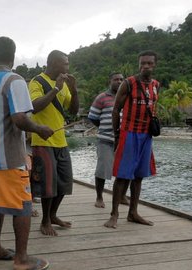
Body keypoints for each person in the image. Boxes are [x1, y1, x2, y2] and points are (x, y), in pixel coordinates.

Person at [0, 36, 52, 270]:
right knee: (23, 205)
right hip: (9, 156)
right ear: (13, 54)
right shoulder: (14, 79)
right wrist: (40, 128)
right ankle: (22, 259)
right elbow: (20, 119)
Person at [104, 50, 160, 229]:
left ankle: (133, 212)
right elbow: (116, 109)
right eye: (142, 63)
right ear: (139, 64)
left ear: (154, 65)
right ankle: (114, 214)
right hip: (129, 134)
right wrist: (116, 134)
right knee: (122, 175)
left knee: (139, 176)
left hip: (146, 135)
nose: (145, 66)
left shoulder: (156, 85)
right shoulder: (129, 83)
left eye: (149, 63)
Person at [28, 50, 79, 236]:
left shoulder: (64, 84)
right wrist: (56, 88)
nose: (67, 67)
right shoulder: (37, 81)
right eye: (65, 63)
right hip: (42, 140)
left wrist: (73, 90)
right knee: (48, 185)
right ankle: (44, 221)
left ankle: (53, 215)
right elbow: (34, 107)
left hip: (61, 141)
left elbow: (73, 110)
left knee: (65, 182)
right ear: (53, 63)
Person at [87, 72, 129, 208]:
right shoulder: (102, 98)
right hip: (105, 139)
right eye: (116, 79)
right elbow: (93, 117)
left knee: (125, 169)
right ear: (110, 81)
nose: (119, 81)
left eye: (121, 79)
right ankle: (99, 197)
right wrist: (106, 127)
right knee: (102, 169)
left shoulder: (127, 97)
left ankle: (122, 196)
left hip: (124, 139)